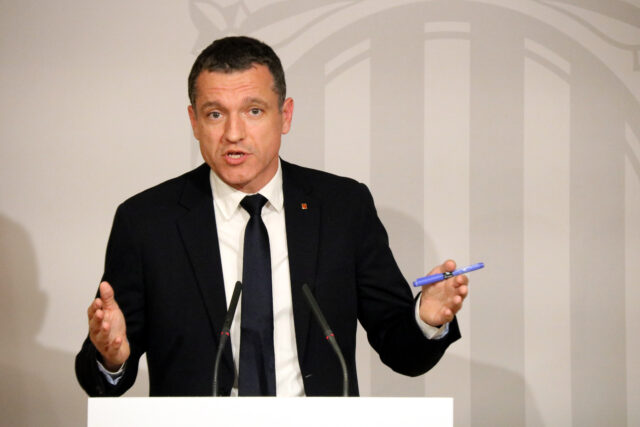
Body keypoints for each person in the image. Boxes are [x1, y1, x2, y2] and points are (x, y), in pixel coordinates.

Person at [75, 36, 468, 397]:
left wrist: (425, 319)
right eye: (215, 114)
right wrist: (110, 356)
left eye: (254, 111)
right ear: (194, 122)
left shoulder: (342, 208)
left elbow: (403, 352)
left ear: (285, 115)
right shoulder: (147, 222)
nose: (233, 133)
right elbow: (101, 378)